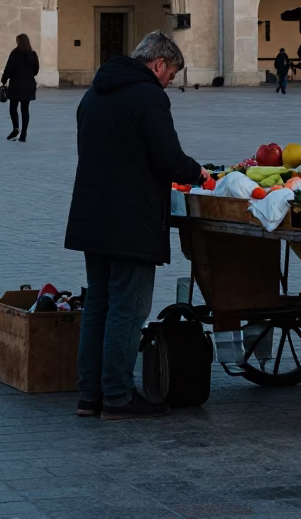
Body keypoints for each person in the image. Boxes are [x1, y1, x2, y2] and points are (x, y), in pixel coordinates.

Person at [65, 29, 208, 420]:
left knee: (99, 303)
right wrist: (199, 174)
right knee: (128, 308)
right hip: (131, 221)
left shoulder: (93, 94)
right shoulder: (149, 96)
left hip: (93, 216)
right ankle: (118, 396)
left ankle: (89, 396)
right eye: (171, 75)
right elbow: (167, 158)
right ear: (159, 64)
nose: (169, 83)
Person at [2, 34, 39, 142]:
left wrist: (4, 79)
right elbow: (36, 69)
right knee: (25, 110)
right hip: (28, 84)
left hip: (16, 85)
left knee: (13, 107)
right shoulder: (33, 54)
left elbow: (8, 68)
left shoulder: (15, 54)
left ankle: (15, 127)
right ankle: (24, 133)